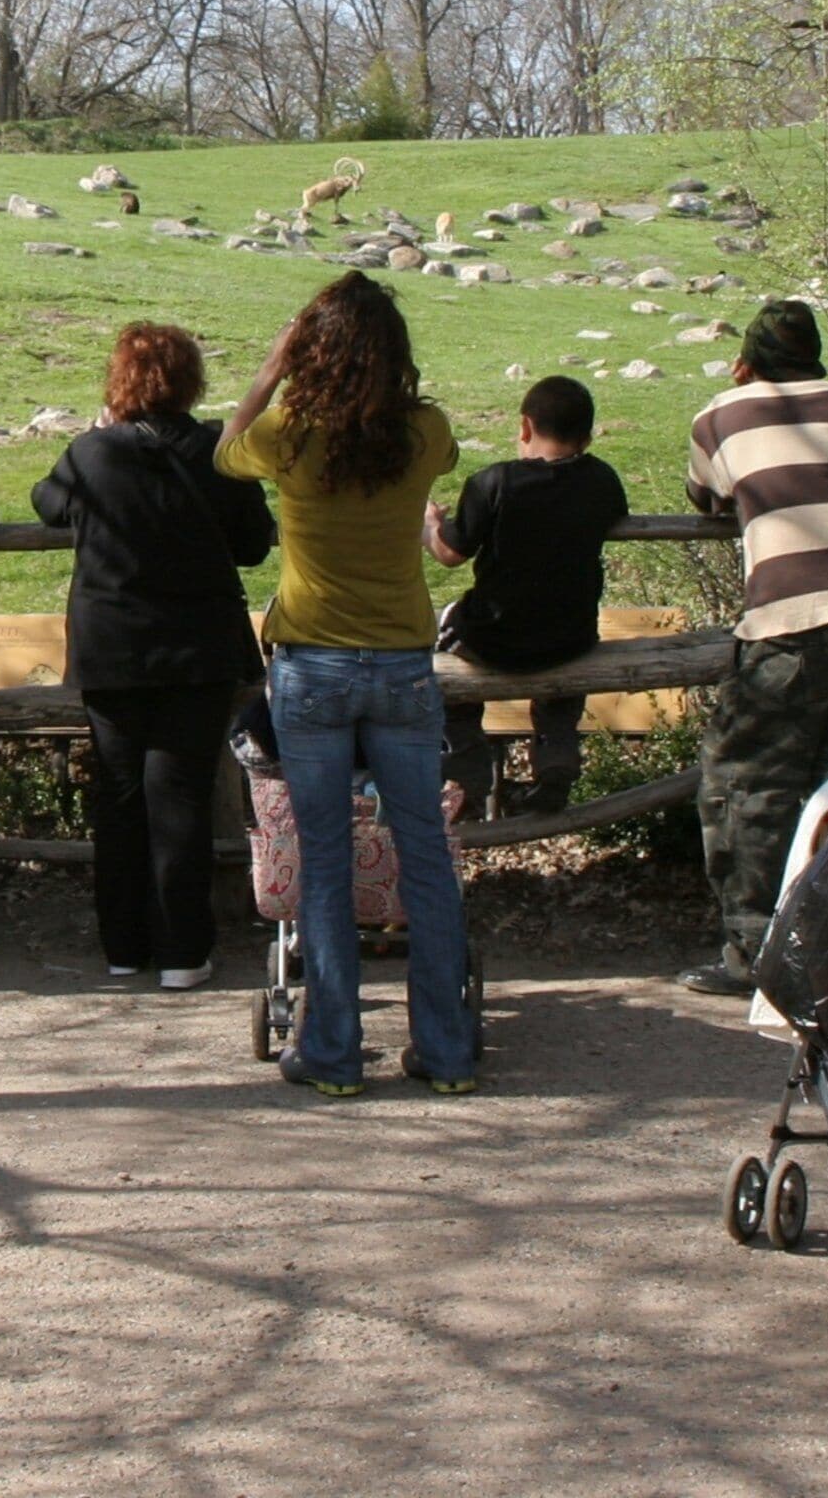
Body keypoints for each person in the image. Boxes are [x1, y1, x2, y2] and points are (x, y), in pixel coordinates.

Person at [216, 272, 476, 1096]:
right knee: (426, 856)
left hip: (311, 664)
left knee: (324, 859)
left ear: (311, 356)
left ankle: (331, 1049)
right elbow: (447, 452)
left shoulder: (289, 435)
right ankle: (445, 1050)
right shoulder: (425, 433)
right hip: (401, 660)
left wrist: (269, 369)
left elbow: (225, 451)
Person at [677, 300, 828, 996]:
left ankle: (756, 955)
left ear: (746, 361)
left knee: (748, 785)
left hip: (788, 620)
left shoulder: (720, 414)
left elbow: (706, 497)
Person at [34, 323, 275, 987]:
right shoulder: (218, 452)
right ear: (190, 381)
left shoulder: (91, 455)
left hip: (112, 651)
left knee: (118, 797)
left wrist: (97, 432)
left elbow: (46, 503)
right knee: (181, 797)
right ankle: (182, 950)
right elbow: (256, 542)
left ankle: (123, 944)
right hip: (196, 651)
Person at [424, 375, 628, 815]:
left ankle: (467, 775)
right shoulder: (602, 481)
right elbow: (614, 514)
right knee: (561, 692)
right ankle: (556, 758)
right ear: (589, 435)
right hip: (569, 639)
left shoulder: (493, 482)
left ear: (524, 426)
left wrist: (430, 525)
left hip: (494, 639)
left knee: (444, 671)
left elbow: (449, 555)